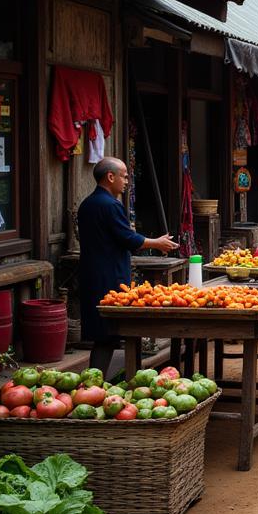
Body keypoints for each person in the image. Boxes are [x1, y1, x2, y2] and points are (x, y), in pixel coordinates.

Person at [77, 157, 177, 374]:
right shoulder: (110, 205)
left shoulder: (87, 204)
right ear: (110, 177)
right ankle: (99, 383)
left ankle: (97, 381)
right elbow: (128, 238)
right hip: (109, 276)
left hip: (93, 273)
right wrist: (157, 243)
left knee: (104, 335)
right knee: (110, 333)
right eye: (124, 176)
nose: (127, 181)